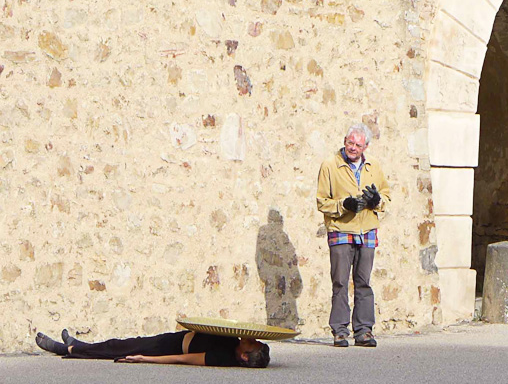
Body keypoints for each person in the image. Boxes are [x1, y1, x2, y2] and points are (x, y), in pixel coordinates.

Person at [316, 122, 391, 348]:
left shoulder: (374, 166)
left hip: (366, 231)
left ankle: (364, 331)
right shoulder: (330, 165)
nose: (353, 148)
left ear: (365, 146)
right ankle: (340, 331)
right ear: (344, 141)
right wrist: (344, 205)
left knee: (363, 282)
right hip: (341, 231)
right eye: (350, 143)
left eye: (358, 145)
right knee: (340, 282)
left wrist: (377, 201)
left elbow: (386, 195)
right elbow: (322, 202)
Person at [33, 328, 270, 367]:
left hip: (167, 348)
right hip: (174, 338)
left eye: (252, 343)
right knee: (119, 344)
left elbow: (182, 359)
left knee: (119, 348)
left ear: (245, 357)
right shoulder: (234, 341)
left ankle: (66, 350)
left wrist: (145, 359)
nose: (248, 339)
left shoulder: (222, 357)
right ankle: (80, 345)